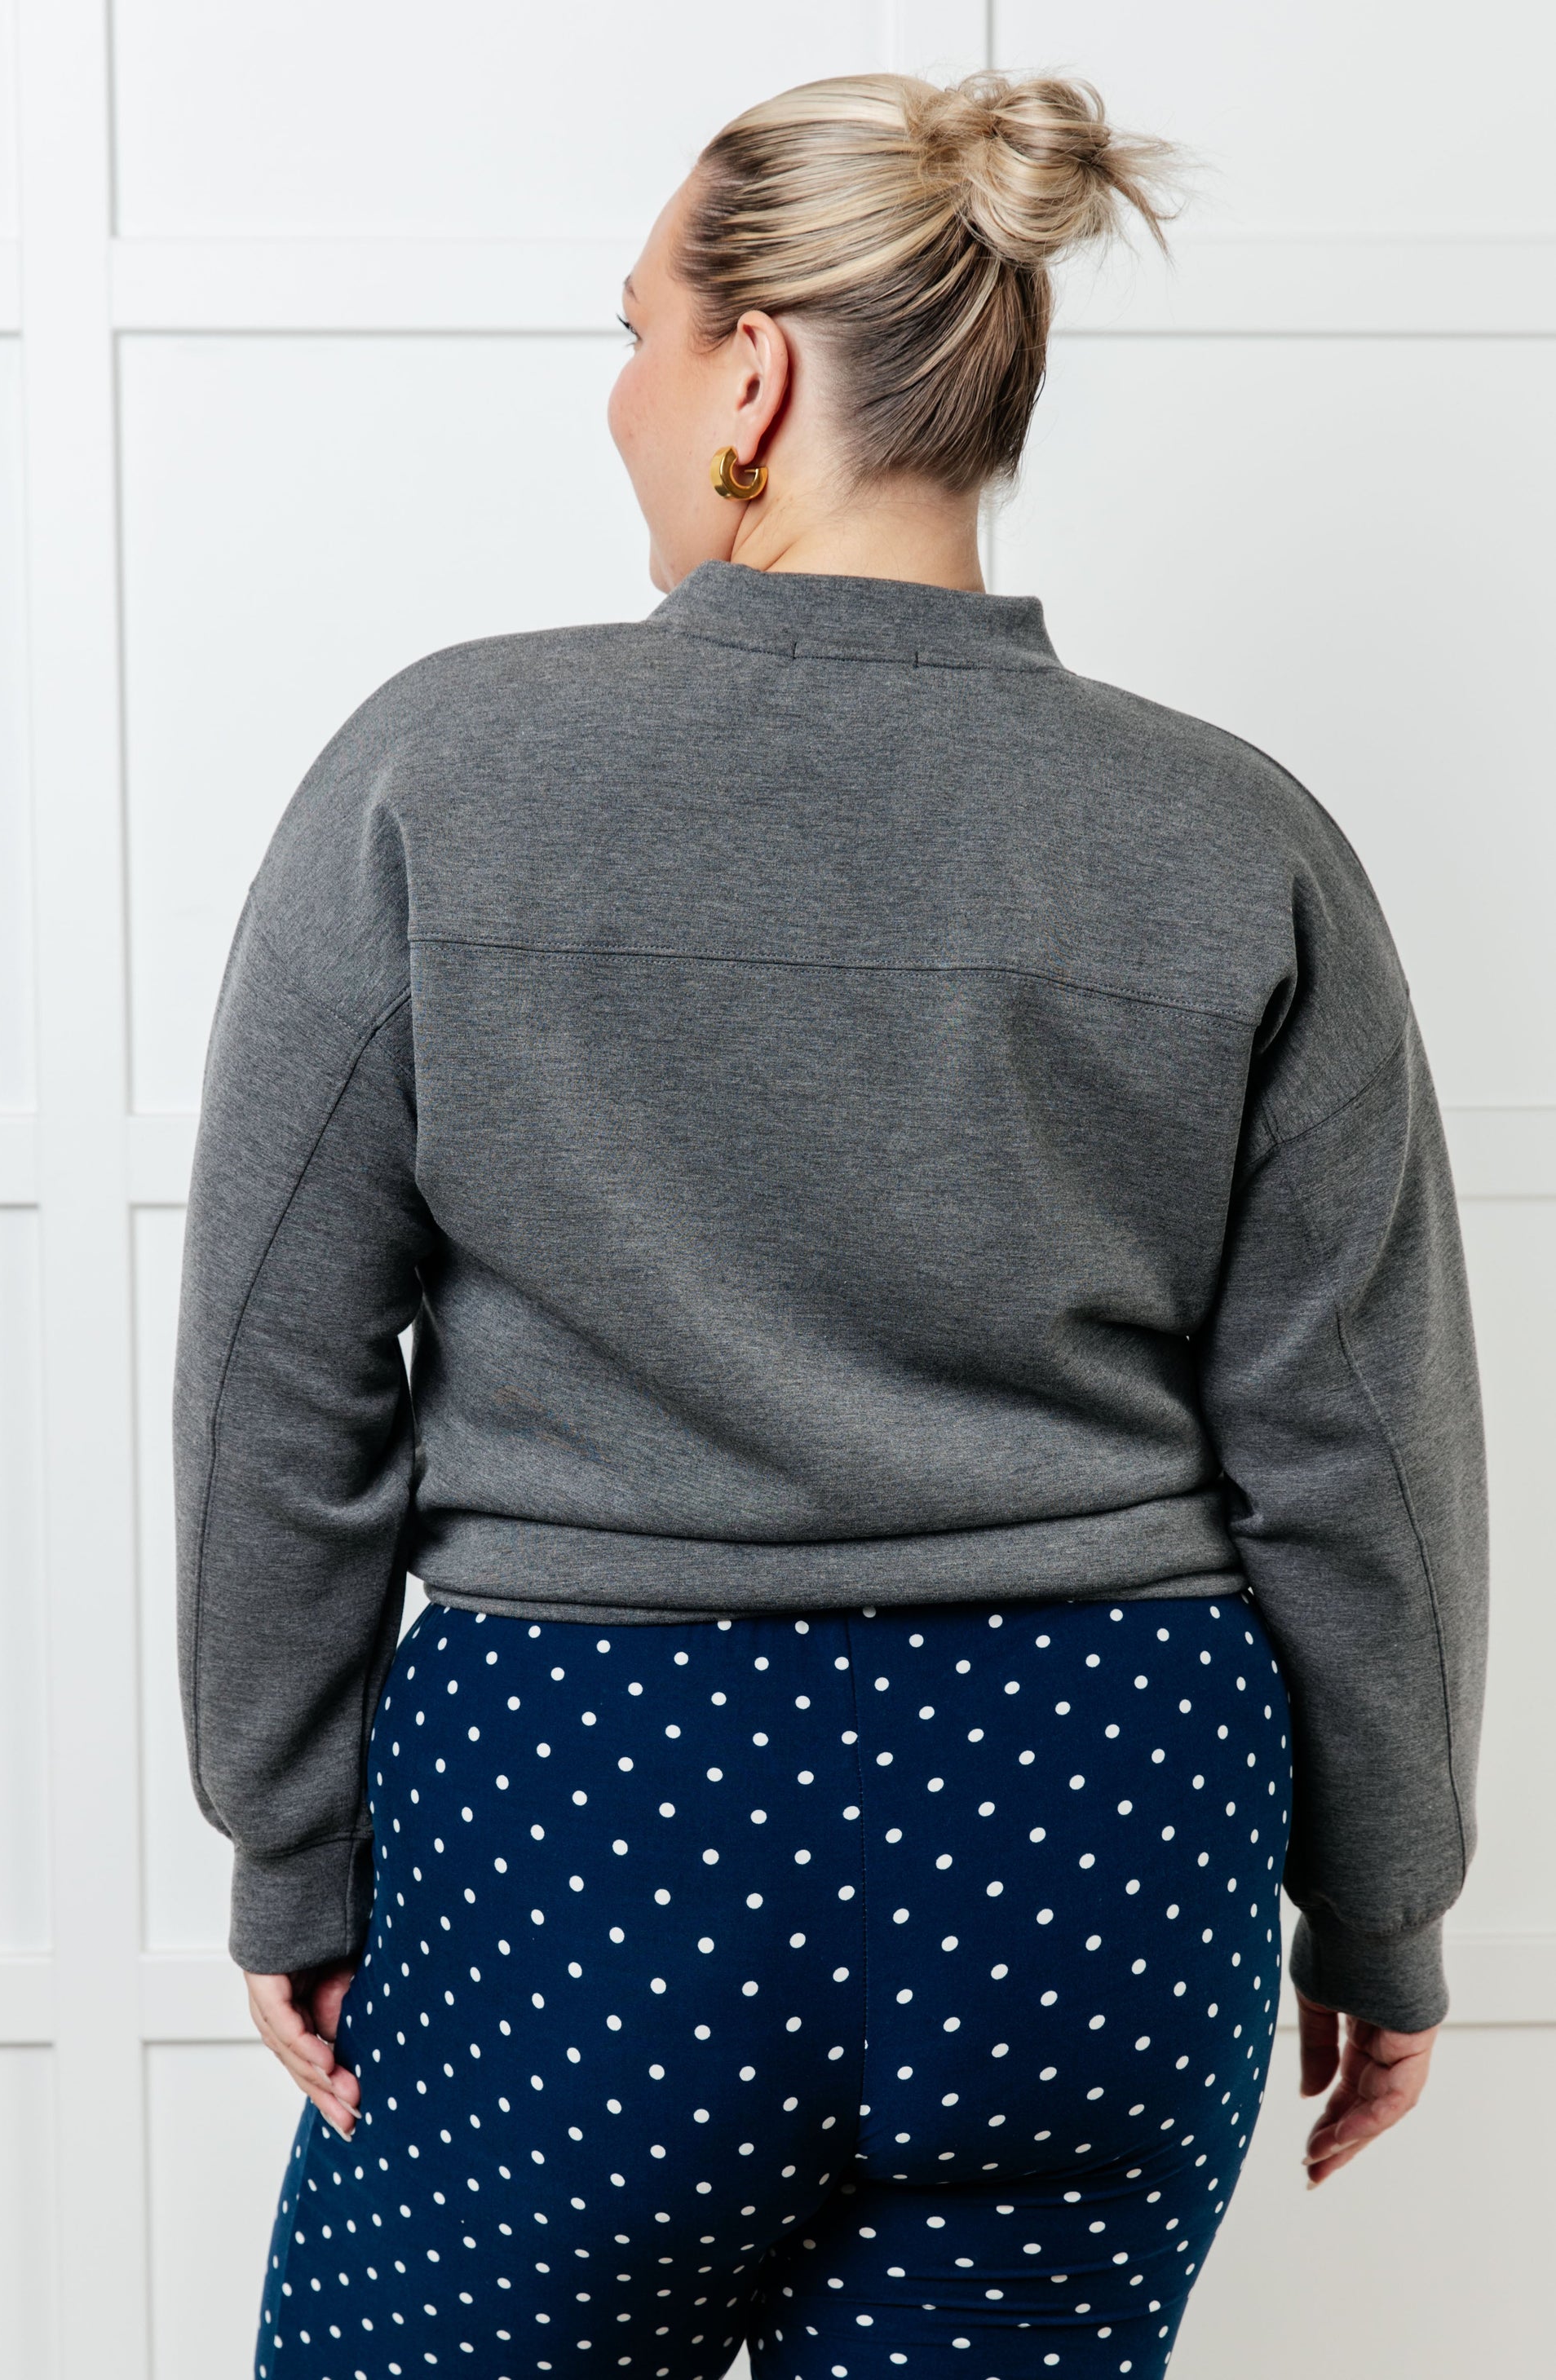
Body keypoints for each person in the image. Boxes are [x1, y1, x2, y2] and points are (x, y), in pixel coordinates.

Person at [173, 69, 1487, 2380]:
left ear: (753, 372)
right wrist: (1379, 1911)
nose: (623, 400)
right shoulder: (1234, 838)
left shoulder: (439, 772)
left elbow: (284, 1371)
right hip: (1096, 1838)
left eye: (636, 334)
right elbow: (1356, 1452)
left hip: (598, 1819)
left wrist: (289, 1838)